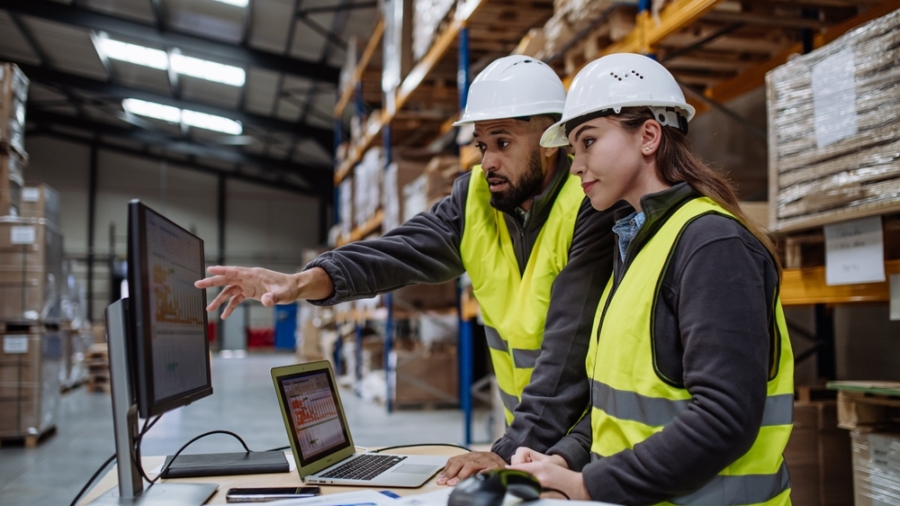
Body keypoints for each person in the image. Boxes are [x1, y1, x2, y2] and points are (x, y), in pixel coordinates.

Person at [195, 55, 623, 484]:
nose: (488, 161)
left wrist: (509, 450)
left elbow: (569, 347)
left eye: (503, 143)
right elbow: (395, 252)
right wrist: (300, 282)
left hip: (587, 444)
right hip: (528, 439)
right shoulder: (474, 199)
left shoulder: (591, 204)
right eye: (481, 145)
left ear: (550, 141)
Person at [507, 53, 794, 506]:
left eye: (588, 142)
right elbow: (626, 407)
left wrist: (588, 485)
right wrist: (562, 460)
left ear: (648, 136)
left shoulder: (712, 244)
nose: (576, 165)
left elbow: (725, 419)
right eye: (572, 150)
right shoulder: (636, 244)